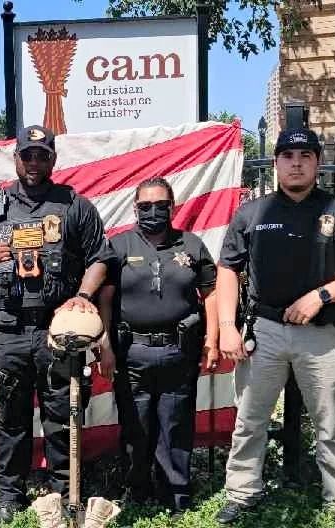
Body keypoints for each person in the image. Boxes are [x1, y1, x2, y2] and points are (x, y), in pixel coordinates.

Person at [214, 128, 335, 528]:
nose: (296, 162)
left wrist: (320, 296)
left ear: (317, 163)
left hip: (322, 336)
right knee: (250, 421)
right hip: (264, 331)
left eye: (306, 154)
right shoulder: (252, 213)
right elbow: (228, 269)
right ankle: (242, 493)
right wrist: (226, 326)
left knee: (331, 424)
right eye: (287, 155)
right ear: (276, 163)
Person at [0, 125, 116, 527]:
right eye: (27, 155)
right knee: (10, 421)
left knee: (62, 417)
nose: (33, 162)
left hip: (57, 332)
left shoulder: (74, 205)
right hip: (8, 332)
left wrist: (82, 294)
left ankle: (64, 494)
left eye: (41, 155)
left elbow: (101, 257)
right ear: (16, 159)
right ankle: (9, 496)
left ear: (53, 159)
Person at [99, 177, 219, 514]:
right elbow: (105, 299)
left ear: (172, 207)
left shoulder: (191, 245)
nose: (153, 211)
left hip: (179, 350)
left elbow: (210, 293)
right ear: (135, 209)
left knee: (176, 425)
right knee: (136, 426)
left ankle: (176, 495)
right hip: (131, 352)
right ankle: (138, 491)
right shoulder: (119, 246)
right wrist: (105, 343)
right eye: (146, 206)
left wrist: (212, 339)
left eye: (161, 205)